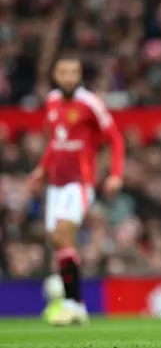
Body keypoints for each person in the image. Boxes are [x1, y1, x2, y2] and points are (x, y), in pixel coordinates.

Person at [28, 55, 125, 325]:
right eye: (64, 72)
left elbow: (115, 139)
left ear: (80, 75)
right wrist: (41, 169)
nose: (69, 77)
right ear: (55, 75)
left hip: (79, 182)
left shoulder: (90, 103)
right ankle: (71, 301)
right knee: (60, 241)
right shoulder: (51, 102)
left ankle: (72, 304)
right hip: (55, 184)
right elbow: (54, 142)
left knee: (62, 232)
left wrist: (116, 174)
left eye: (74, 71)